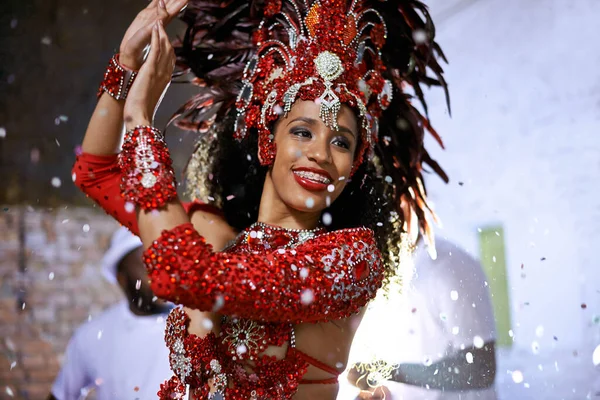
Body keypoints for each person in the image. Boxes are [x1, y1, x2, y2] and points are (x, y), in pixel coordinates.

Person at [71, 0, 449, 398]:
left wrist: (140, 121)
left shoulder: (350, 260)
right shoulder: (218, 236)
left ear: (351, 166)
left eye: (340, 141)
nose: (320, 153)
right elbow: (95, 171)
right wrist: (128, 65)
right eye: (303, 131)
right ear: (269, 141)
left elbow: (188, 276)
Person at [345, 237, 498, 400]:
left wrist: (387, 371)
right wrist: (375, 390)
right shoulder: (390, 271)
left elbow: (480, 369)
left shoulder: (449, 265)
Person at [49, 227, 173, 400]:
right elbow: (61, 395)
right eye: (148, 267)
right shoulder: (93, 335)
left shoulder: (195, 323)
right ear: (122, 279)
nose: (161, 276)